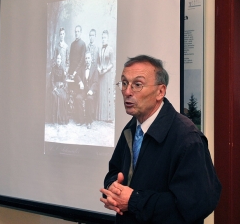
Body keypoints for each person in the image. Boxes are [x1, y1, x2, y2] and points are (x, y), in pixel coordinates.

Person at [100, 55, 221, 224]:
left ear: (160, 91)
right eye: (124, 83)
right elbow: (115, 171)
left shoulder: (187, 138)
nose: (127, 92)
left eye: (137, 85)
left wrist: (134, 200)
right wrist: (113, 188)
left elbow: (197, 205)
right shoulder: (131, 128)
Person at [75, 51, 98, 129]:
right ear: (84, 59)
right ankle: (81, 120)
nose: (87, 60)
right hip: (84, 90)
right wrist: (80, 82)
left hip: (91, 91)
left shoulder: (94, 68)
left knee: (89, 99)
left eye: (88, 58)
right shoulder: (82, 67)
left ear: (91, 59)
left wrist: (91, 90)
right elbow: (77, 75)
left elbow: (95, 82)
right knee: (78, 98)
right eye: (86, 58)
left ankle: (89, 121)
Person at [97, 30, 115, 122]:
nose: (103, 39)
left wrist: (105, 69)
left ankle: (108, 117)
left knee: (107, 95)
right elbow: (98, 62)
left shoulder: (110, 49)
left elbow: (112, 64)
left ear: (108, 38)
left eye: (105, 37)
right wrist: (99, 68)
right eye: (102, 37)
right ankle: (101, 116)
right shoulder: (100, 49)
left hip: (107, 75)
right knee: (101, 94)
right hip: (101, 75)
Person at [51, 53, 68, 125]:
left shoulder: (63, 68)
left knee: (63, 97)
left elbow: (64, 79)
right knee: (55, 97)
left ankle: (62, 119)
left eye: (59, 59)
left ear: (61, 60)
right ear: (56, 59)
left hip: (61, 87)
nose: (58, 60)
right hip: (55, 87)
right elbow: (51, 80)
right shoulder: (53, 69)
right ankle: (55, 119)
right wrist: (54, 88)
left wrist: (63, 86)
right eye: (57, 58)